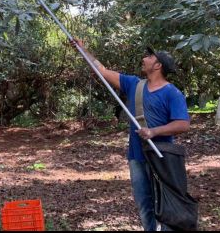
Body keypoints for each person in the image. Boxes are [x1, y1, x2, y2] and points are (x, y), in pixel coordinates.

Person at [74, 42, 190, 231]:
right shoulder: (134, 85)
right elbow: (102, 71)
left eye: (150, 57)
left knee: (165, 200)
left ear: (158, 65)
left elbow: (183, 124)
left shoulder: (172, 93)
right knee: (144, 203)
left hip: (160, 156)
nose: (144, 59)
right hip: (137, 157)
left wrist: (154, 131)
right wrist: (81, 49)